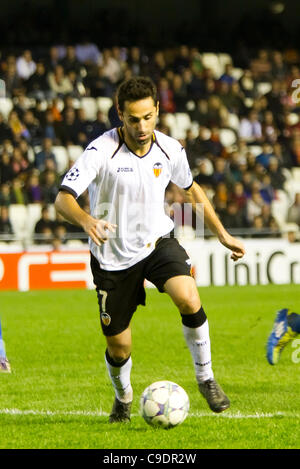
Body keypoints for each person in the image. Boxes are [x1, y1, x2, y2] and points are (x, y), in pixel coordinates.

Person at [55, 76, 245, 423]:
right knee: (119, 346)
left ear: (157, 111)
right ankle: (123, 396)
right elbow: (63, 198)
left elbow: (191, 191)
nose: (141, 127)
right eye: (133, 119)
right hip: (112, 259)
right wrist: (86, 221)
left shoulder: (171, 149)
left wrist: (222, 234)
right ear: (120, 115)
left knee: (188, 297)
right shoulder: (101, 151)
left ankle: (206, 378)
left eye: (148, 117)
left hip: (158, 243)